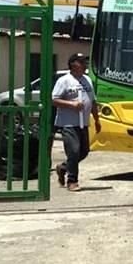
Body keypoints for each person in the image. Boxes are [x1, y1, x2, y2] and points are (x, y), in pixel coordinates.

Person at [52, 53, 101, 192]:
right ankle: (72, 181)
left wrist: (97, 120)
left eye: (85, 62)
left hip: (83, 123)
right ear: (73, 64)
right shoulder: (64, 81)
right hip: (68, 123)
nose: (85, 64)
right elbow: (54, 100)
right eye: (81, 62)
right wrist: (71, 104)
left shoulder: (87, 80)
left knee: (84, 151)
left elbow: (92, 101)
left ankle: (63, 168)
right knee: (73, 151)